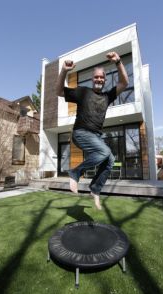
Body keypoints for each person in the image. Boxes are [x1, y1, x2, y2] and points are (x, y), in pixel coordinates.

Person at [56, 51, 129, 209]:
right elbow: (59, 91)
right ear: (92, 78)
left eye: (102, 77)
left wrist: (118, 62)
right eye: (96, 77)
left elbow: (124, 83)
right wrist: (63, 71)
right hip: (80, 132)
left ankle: (95, 189)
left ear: (105, 80)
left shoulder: (107, 96)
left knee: (110, 159)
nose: (99, 79)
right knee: (104, 152)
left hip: (95, 136)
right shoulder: (83, 92)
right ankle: (75, 173)